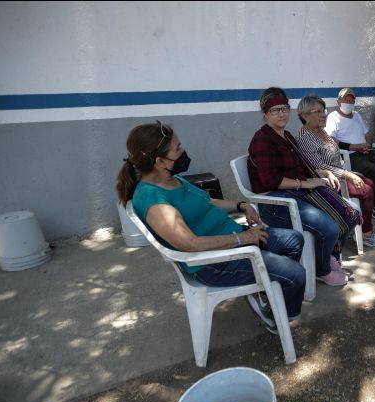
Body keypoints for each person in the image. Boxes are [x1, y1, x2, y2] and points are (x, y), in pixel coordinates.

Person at [115, 121, 306, 334]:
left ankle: (267, 289)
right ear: (160, 161)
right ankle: (276, 316)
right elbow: (189, 244)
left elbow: (207, 201)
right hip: (212, 263)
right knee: (295, 274)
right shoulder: (152, 199)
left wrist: (241, 206)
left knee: (294, 240)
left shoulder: (172, 178)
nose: (183, 151)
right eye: (177, 148)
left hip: (234, 240)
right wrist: (244, 239)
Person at [247, 87, 353, 286]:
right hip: (274, 202)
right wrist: (305, 183)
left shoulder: (287, 136)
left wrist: (324, 173)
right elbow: (271, 181)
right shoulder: (262, 140)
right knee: (329, 227)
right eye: (275, 110)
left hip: (297, 193)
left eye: (284, 108)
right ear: (265, 114)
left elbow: (303, 167)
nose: (281, 114)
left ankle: (328, 256)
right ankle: (322, 271)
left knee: (349, 213)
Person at [295, 94, 375, 248]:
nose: (323, 115)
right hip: (327, 182)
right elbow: (318, 167)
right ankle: (366, 233)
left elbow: (335, 154)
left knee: (369, 182)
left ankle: (356, 225)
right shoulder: (305, 138)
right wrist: (348, 175)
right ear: (305, 116)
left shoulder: (321, 131)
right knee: (366, 190)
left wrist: (348, 173)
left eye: (323, 110)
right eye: (318, 112)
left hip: (338, 174)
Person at [325, 87, 375, 220]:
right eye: (346, 100)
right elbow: (331, 140)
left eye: (351, 101)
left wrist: (368, 144)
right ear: (338, 101)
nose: (349, 103)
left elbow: (367, 134)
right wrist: (354, 147)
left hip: (367, 152)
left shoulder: (357, 115)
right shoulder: (333, 117)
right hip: (351, 155)